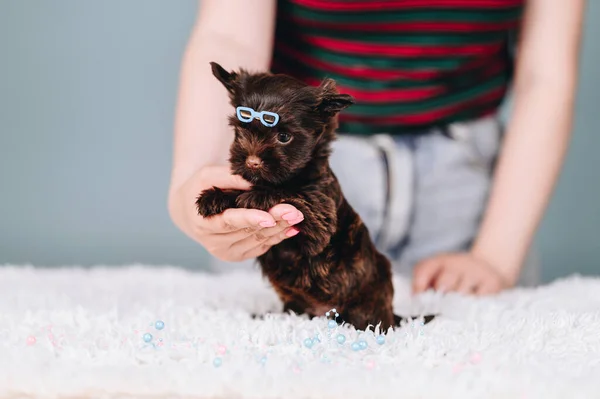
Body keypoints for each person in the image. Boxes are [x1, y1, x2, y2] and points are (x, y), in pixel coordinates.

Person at [168, 0, 584, 296]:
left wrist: (494, 256)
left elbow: (544, 78)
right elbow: (229, 40)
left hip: (471, 198)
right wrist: (197, 182)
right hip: (294, 176)